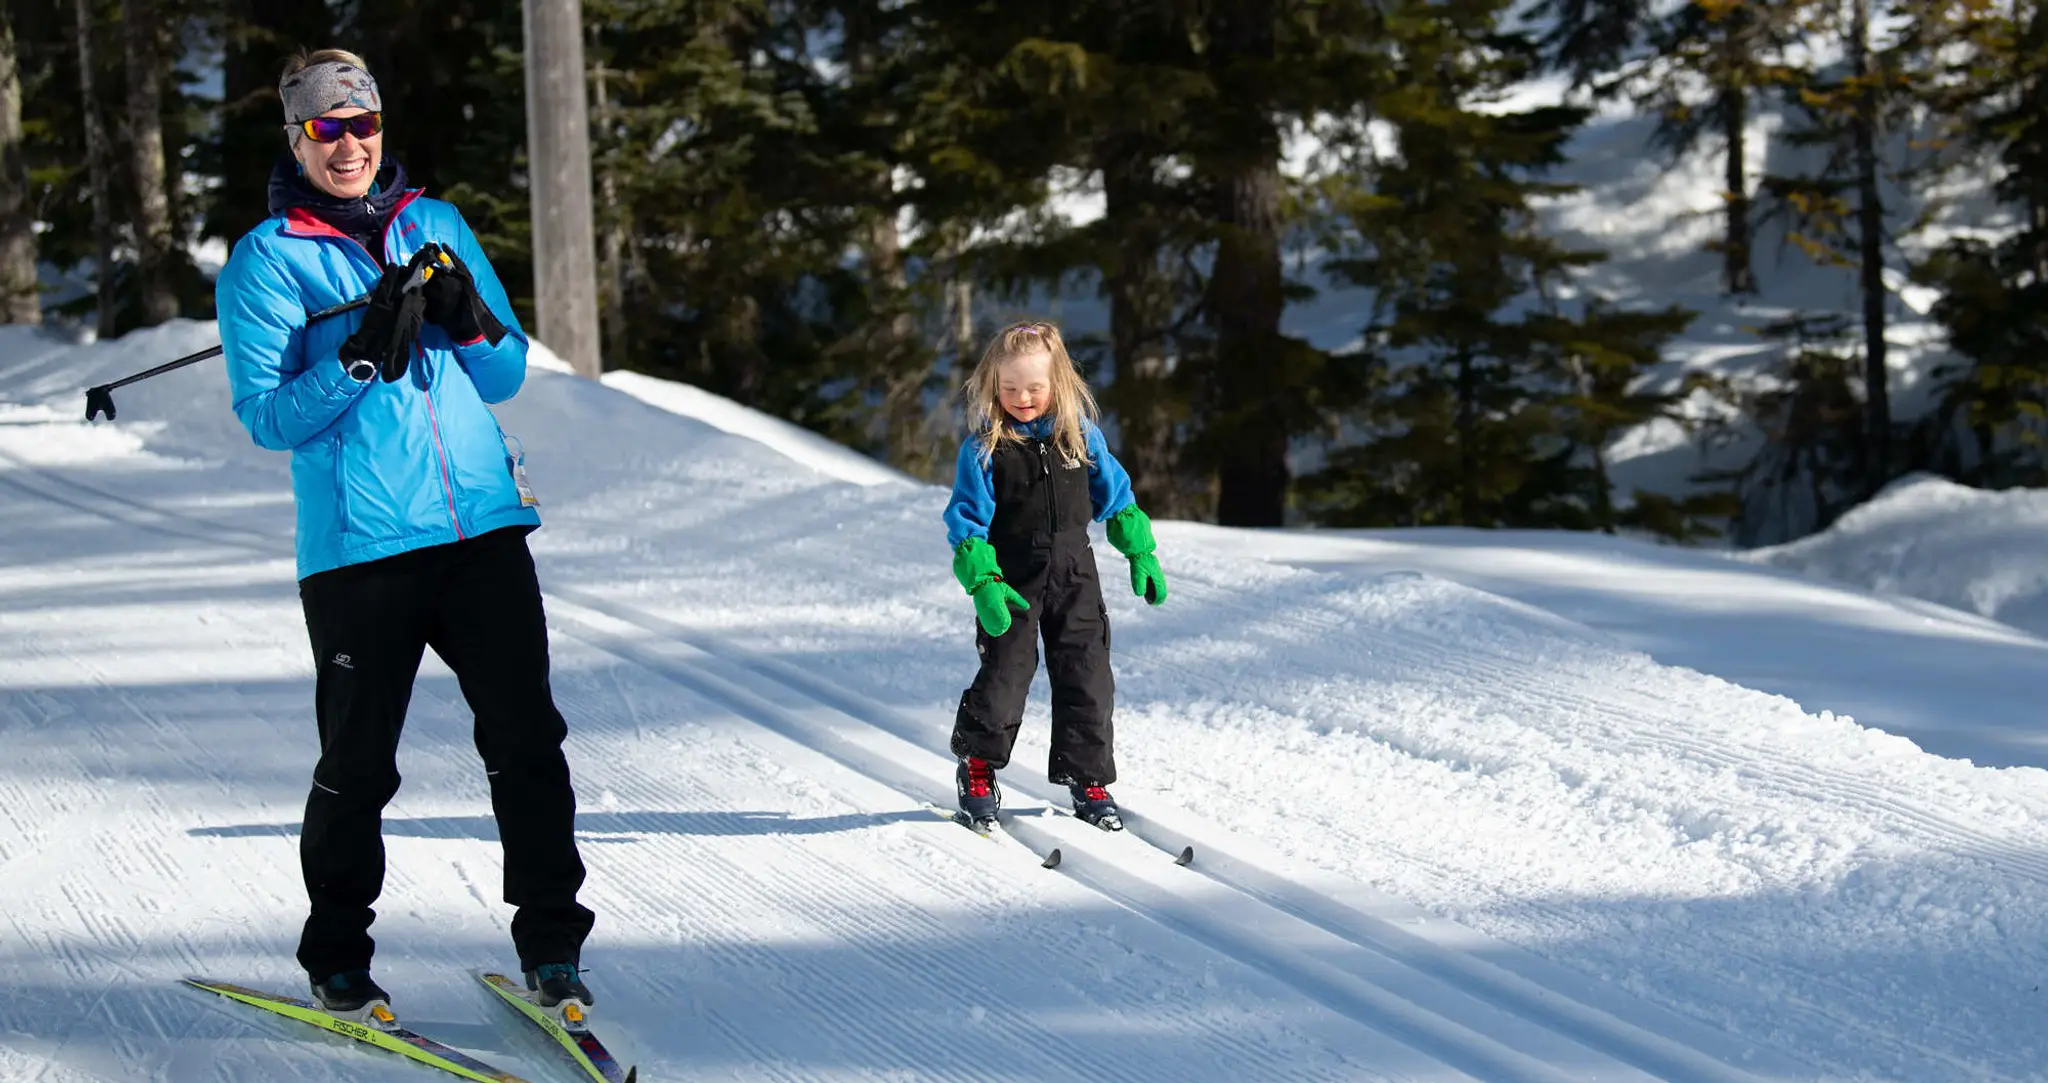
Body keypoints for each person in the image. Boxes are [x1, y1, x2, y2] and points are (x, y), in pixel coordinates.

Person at [214, 48, 595, 1020]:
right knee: (359, 764)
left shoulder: (436, 224)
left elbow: (505, 373)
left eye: (362, 125)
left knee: (527, 742)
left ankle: (553, 951)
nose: (348, 145)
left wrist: (467, 322)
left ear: (382, 128)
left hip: (480, 528)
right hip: (362, 550)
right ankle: (337, 956)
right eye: (325, 129)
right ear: (297, 138)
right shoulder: (266, 260)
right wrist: (352, 356)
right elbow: (266, 416)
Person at [942, 321, 1170, 832]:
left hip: (1075, 574)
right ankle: (977, 767)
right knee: (1005, 675)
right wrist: (983, 584)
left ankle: (1087, 777)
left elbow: (1118, 497)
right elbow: (966, 526)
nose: (1022, 398)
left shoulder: (1080, 438)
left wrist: (1141, 554)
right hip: (1011, 580)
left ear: (1058, 384)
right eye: (1010, 388)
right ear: (992, 386)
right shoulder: (983, 451)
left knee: (1088, 676)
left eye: (1035, 388)